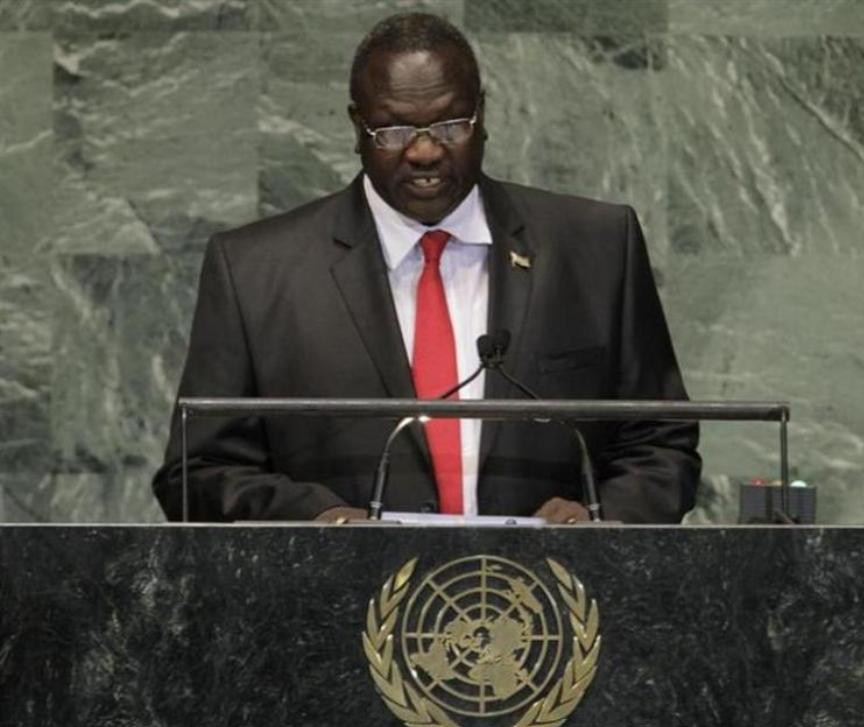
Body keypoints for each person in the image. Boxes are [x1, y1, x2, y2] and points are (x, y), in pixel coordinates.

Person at [152, 12, 700, 524]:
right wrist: (312, 524)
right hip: (332, 607)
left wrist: (599, 518)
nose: (423, 152)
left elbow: (661, 444)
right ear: (355, 125)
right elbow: (196, 472)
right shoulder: (255, 270)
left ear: (482, 113)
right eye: (391, 131)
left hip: (553, 607)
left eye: (450, 125)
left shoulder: (594, 247)